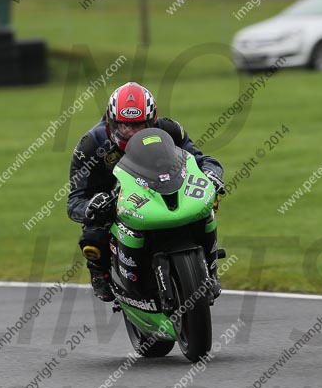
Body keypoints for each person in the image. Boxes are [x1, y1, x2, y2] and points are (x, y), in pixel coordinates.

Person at [67, 82, 225, 302]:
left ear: (152, 121)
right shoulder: (91, 145)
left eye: (139, 126)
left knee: (206, 209)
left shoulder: (170, 130)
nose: (132, 133)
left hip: (160, 188)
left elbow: (200, 160)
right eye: (125, 126)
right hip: (114, 199)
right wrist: (92, 206)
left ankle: (209, 268)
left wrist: (211, 174)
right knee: (93, 234)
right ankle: (99, 271)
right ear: (111, 122)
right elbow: (75, 201)